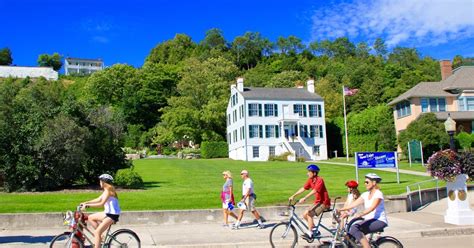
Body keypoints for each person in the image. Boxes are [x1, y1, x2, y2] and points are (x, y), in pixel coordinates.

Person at [337, 173, 388, 248]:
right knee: (350, 236)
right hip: (369, 220)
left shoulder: (378, 194)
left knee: (355, 227)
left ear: (374, 183)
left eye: (367, 182)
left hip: (379, 220)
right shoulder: (365, 194)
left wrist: (361, 214)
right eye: (364, 182)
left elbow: (372, 208)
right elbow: (354, 204)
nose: (365, 184)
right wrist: (341, 209)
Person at [289, 164, 330, 241]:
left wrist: (305, 198)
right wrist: (293, 195)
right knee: (304, 214)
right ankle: (314, 230)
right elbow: (303, 188)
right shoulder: (310, 180)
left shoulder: (319, 180)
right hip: (318, 202)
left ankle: (310, 233)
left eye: (309, 172)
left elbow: (315, 190)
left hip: (324, 203)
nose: (307, 173)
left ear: (314, 173)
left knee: (309, 213)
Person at [80, 174, 121, 248]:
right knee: (90, 218)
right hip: (107, 213)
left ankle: (98, 236)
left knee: (97, 232)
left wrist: (88, 206)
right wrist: (86, 202)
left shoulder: (109, 191)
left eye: (100, 181)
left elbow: (101, 204)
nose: (99, 183)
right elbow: (98, 199)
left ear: (104, 182)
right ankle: (101, 236)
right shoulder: (106, 190)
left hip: (112, 215)